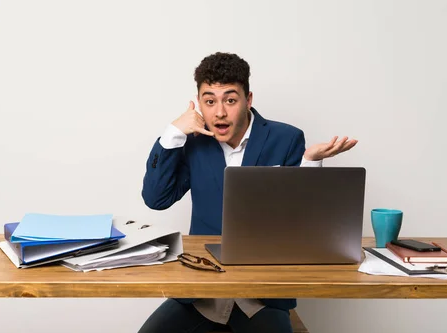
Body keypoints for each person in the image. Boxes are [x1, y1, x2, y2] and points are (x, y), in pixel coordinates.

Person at [138, 52, 357, 333]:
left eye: (230, 100)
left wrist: (309, 164)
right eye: (209, 101)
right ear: (199, 105)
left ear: (248, 100)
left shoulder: (287, 138)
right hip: (203, 290)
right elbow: (157, 199)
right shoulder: (191, 142)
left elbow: (303, 221)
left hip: (261, 293)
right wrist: (172, 132)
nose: (219, 112)